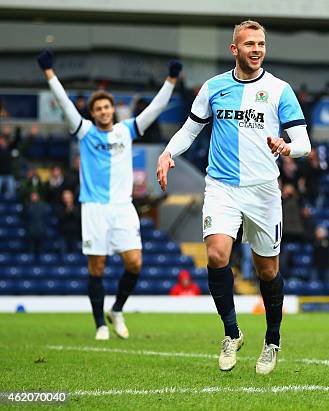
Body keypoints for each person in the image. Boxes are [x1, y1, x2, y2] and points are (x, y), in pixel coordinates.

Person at [156, 20, 311, 375]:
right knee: (216, 254)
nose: (256, 49)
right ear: (234, 49)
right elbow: (191, 129)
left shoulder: (279, 90)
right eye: (249, 44)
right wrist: (168, 153)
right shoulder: (213, 87)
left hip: (263, 191)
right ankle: (232, 333)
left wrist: (287, 147)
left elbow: (304, 143)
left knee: (267, 269)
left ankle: (272, 340)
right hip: (222, 186)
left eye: (261, 44)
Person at [37, 49, 182, 340]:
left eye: (107, 107)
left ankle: (116, 309)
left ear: (113, 109)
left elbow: (153, 110)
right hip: (93, 207)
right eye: (98, 108)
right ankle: (100, 325)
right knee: (98, 266)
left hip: (123, 207)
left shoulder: (126, 130)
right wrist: (50, 74)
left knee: (135, 263)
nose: (104, 111)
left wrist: (171, 80)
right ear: (92, 113)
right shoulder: (85, 131)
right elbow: (65, 104)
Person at [56, 189, 81, 254]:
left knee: (75, 256)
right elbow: (60, 218)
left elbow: (78, 217)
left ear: (72, 198)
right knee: (63, 254)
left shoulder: (77, 207)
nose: (67, 200)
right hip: (63, 235)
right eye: (65, 198)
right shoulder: (59, 207)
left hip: (74, 235)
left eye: (69, 198)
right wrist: (67, 209)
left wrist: (71, 209)